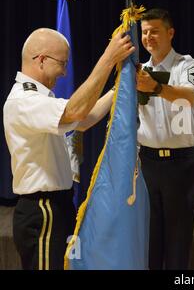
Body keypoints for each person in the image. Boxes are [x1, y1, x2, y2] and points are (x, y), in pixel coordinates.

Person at [3, 28, 134, 270]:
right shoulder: (24, 101)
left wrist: (120, 87)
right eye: (62, 63)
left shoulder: (41, 98)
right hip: (43, 210)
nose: (64, 72)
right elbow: (76, 111)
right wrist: (108, 58)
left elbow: (85, 119)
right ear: (41, 60)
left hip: (57, 206)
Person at [136, 8, 194, 270]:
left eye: (154, 31)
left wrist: (155, 87)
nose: (148, 37)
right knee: (149, 241)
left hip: (181, 165)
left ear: (170, 33)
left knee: (177, 243)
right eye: (144, 32)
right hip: (149, 163)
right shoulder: (138, 70)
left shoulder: (187, 65)